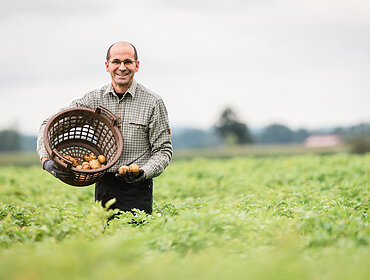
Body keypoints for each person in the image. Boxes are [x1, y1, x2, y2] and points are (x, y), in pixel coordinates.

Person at [37, 41, 173, 215]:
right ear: (107, 66)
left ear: (136, 66)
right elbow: (49, 125)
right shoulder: (94, 100)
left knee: (137, 239)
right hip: (104, 185)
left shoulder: (152, 103)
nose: (122, 67)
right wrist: (45, 160)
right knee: (106, 239)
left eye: (128, 62)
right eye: (116, 61)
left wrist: (143, 172)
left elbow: (163, 151)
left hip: (138, 188)